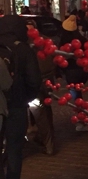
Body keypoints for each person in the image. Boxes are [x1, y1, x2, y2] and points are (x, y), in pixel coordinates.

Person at [0, 15, 41, 179]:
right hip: (16, 104)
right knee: (15, 148)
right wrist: (26, 98)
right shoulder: (23, 49)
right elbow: (34, 80)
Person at [25, 19, 56, 155]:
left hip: (38, 82)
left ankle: (48, 144)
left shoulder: (28, 45)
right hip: (46, 80)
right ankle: (47, 138)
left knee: (40, 112)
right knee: (45, 110)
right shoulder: (46, 41)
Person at [59, 15, 88, 131]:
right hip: (82, 71)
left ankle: (82, 119)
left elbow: (59, 57)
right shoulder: (82, 39)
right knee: (78, 94)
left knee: (76, 96)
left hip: (71, 71)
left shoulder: (64, 41)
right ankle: (83, 117)